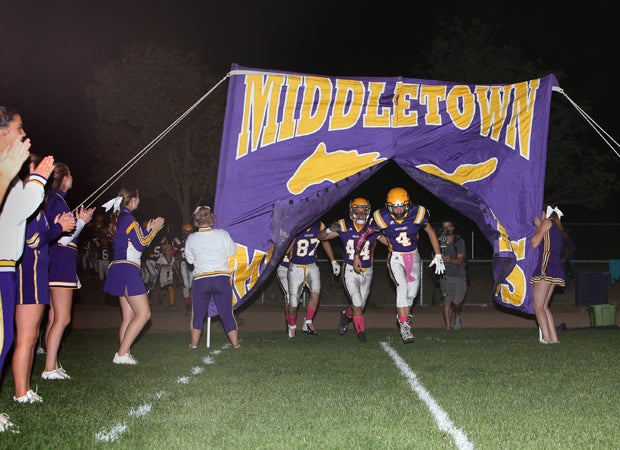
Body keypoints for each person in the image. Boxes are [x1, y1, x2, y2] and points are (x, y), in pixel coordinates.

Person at [0, 107, 54, 431]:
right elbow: (17, 213)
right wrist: (36, 182)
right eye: (19, 128)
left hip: (7, 267)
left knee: (5, 339)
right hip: (3, 267)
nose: (24, 134)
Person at [13, 154, 76, 403]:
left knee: (31, 335)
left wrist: (57, 227)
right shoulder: (30, 206)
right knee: (26, 337)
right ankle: (21, 392)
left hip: (38, 272)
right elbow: (34, 240)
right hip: (29, 273)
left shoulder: (37, 207)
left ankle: (25, 389)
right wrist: (60, 227)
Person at [353, 187, 445, 344]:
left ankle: (403, 317)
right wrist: (356, 255)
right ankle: (404, 325)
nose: (399, 209)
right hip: (395, 257)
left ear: (408, 204)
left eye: (402, 205)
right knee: (401, 287)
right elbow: (365, 234)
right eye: (395, 206)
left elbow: (430, 232)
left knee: (412, 294)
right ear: (389, 206)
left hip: (413, 255)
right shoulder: (381, 217)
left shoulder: (418, 213)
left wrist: (438, 255)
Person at [42, 162, 95, 380]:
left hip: (56, 262)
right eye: (70, 173)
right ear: (64, 178)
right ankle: (49, 368)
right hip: (61, 262)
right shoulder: (57, 201)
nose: (72, 177)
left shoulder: (54, 201)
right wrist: (82, 222)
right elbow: (63, 237)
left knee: (55, 316)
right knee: (62, 318)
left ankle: (51, 363)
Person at [103, 187, 165, 364]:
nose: (139, 200)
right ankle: (121, 354)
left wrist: (147, 229)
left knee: (128, 317)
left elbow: (133, 242)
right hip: (127, 269)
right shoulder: (128, 218)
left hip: (118, 268)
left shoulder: (120, 217)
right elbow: (141, 244)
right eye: (138, 197)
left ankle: (124, 353)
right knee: (144, 314)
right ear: (132, 199)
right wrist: (154, 230)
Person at [318, 197, 386, 343]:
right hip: (350, 269)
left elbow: (389, 242)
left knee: (358, 304)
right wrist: (329, 228)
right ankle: (362, 336)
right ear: (351, 212)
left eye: (363, 211)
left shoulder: (373, 227)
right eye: (357, 211)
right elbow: (321, 237)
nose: (361, 215)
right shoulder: (343, 225)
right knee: (357, 301)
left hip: (368, 270)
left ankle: (345, 315)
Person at [184, 206, 239, 349]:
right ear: (212, 218)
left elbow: (189, 260)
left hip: (201, 280)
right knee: (227, 313)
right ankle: (236, 345)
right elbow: (233, 251)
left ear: (196, 221)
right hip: (221, 278)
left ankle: (194, 345)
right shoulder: (222, 234)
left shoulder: (191, 238)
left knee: (198, 315)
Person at [285, 221, 339, 338]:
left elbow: (325, 242)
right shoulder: (296, 225)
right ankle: (292, 326)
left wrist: (333, 261)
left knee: (316, 292)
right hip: (295, 267)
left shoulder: (319, 225)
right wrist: (292, 236)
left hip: (312, 265)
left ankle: (308, 322)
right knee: (293, 303)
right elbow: (287, 250)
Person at [531, 204, 565, 344]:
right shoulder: (558, 227)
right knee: (544, 306)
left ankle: (546, 338)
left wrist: (539, 226)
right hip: (555, 266)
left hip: (546, 264)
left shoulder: (547, 222)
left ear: (545, 213)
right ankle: (553, 338)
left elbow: (534, 243)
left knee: (538, 306)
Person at [437, 220, 468, 330]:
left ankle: (457, 315)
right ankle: (448, 327)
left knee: (456, 303)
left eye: (448, 227)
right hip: (445, 277)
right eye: (444, 227)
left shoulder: (458, 241)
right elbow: (434, 253)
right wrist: (437, 258)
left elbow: (460, 260)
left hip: (459, 276)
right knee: (447, 302)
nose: (446, 229)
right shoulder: (441, 240)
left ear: (453, 228)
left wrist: (449, 259)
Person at [561, 227, 576, 293]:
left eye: (565, 233)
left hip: (568, 261)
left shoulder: (567, 240)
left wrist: (566, 258)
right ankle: (565, 289)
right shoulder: (562, 239)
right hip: (565, 260)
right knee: (565, 275)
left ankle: (567, 289)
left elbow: (569, 249)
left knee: (568, 275)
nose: (564, 234)